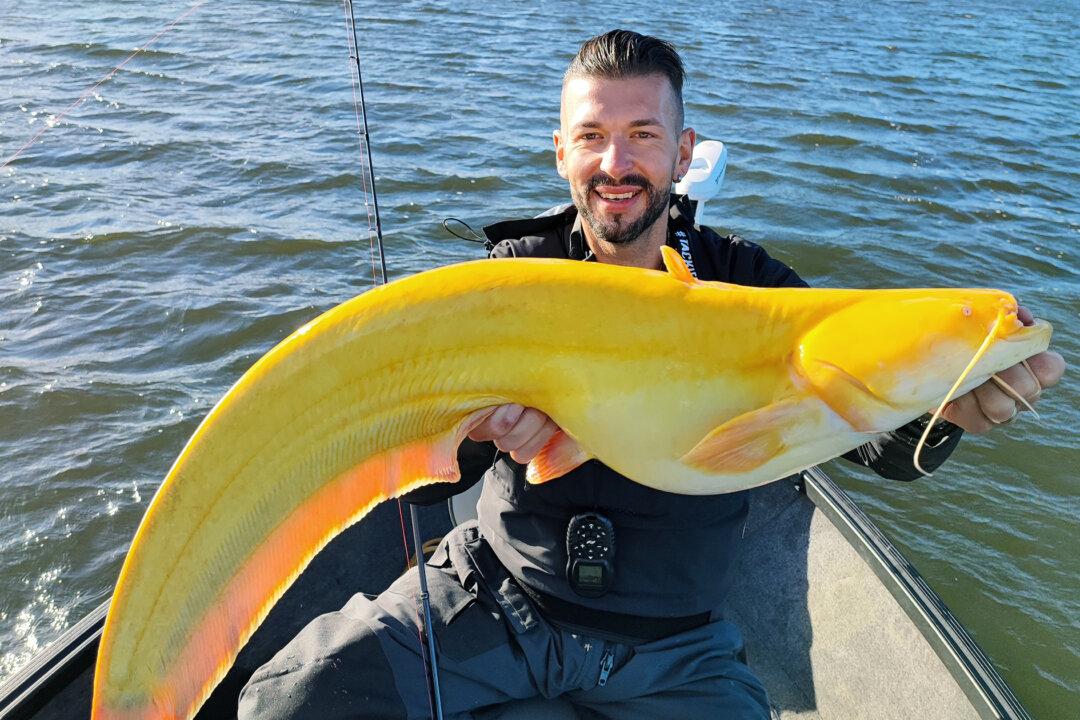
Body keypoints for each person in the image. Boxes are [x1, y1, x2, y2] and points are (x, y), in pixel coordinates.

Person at [238, 30, 1065, 720]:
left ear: (684, 149)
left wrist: (952, 413)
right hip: (497, 594)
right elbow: (413, 490)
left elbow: (871, 449)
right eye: (593, 136)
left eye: (642, 134)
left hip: (676, 644)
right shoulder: (511, 278)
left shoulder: (754, 290)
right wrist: (478, 440)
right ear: (561, 151)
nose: (616, 163)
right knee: (287, 701)